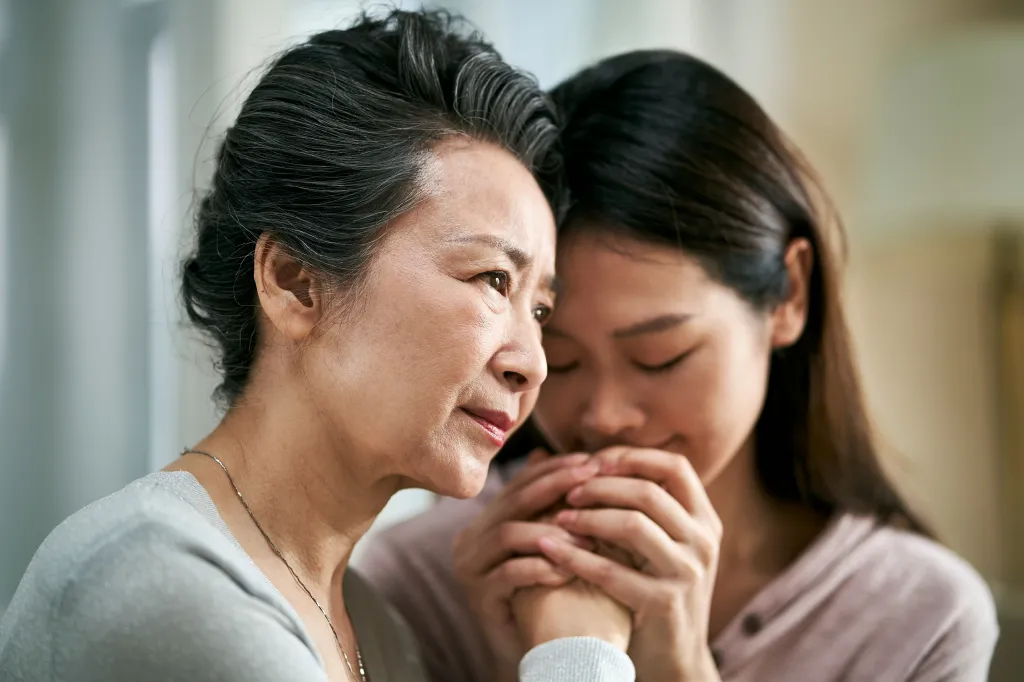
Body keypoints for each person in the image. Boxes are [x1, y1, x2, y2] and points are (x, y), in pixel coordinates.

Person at [0, 11, 638, 682]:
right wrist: (581, 653)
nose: (532, 362)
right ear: (294, 283)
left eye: (539, 309)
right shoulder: (159, 588)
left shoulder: (375, 627)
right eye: (492, 280)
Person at [359, 49, 1000, 682]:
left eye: (660, 358)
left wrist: (682, 671)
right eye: (563, 359)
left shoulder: (921, 619)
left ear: (790, 296)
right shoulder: (416, 580)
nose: (603, 415)